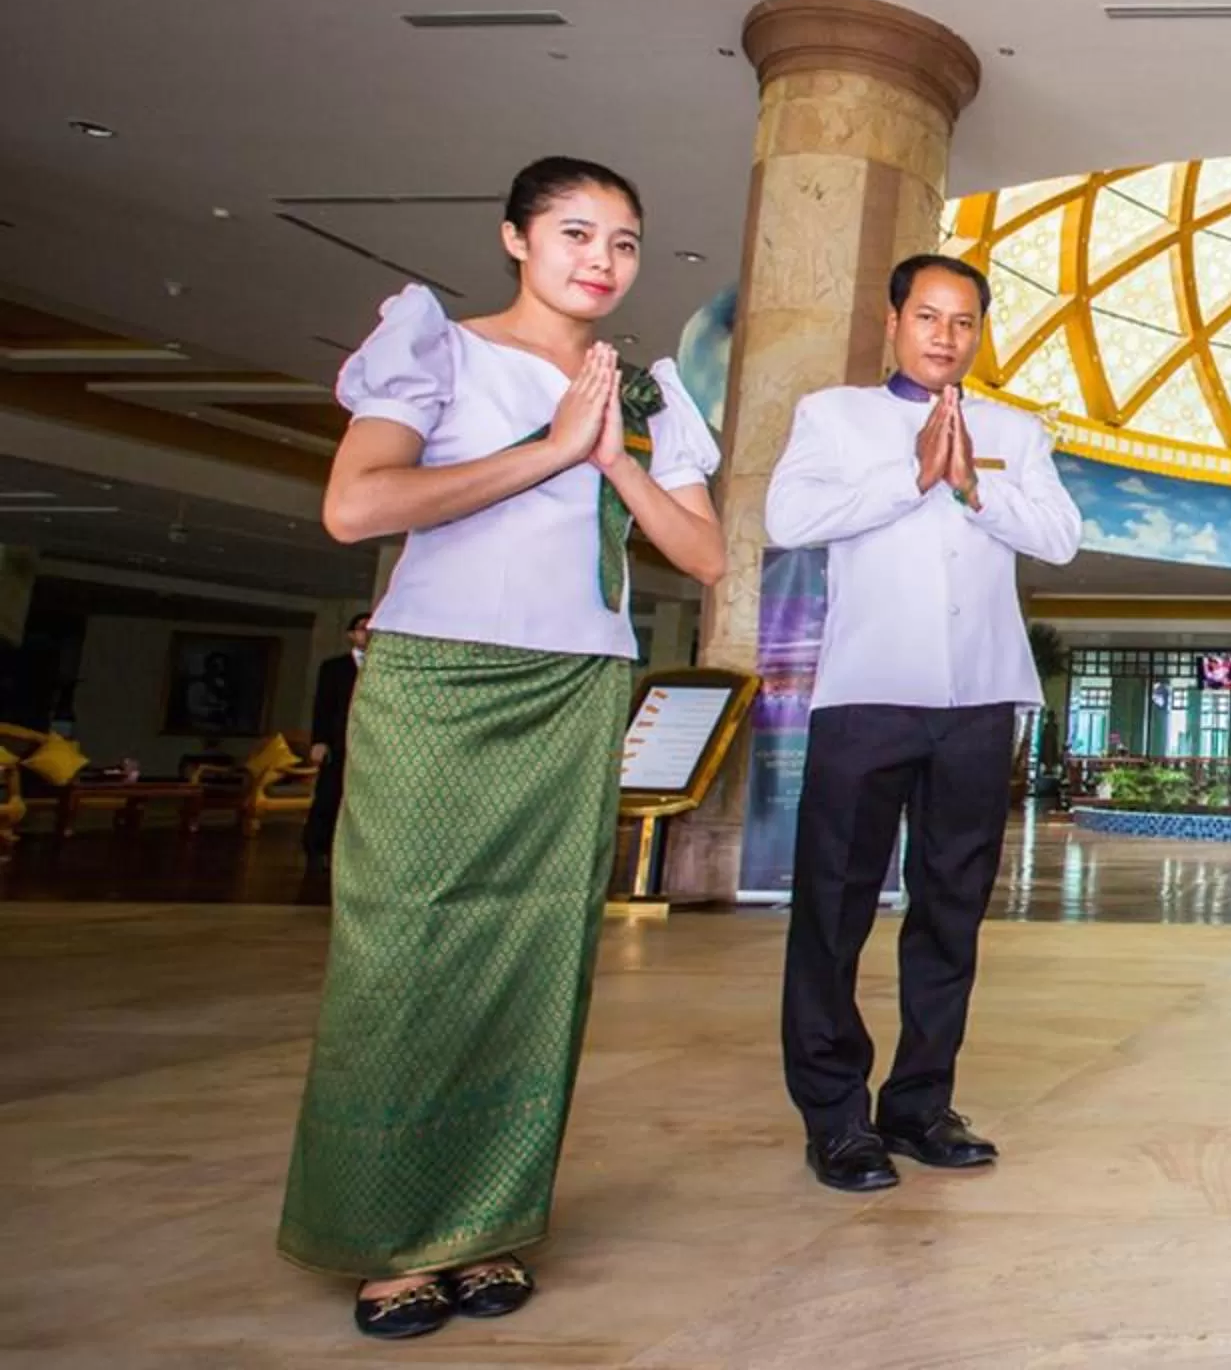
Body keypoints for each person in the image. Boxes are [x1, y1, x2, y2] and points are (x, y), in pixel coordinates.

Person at [282, 157, 725, 1340]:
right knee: (406, 947)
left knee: (536, 951)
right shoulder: (438, 348)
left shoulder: (642, 392)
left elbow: (707, 557)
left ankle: (484, 1228)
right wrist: (547, 447)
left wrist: (612, 451)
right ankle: (387, 1243)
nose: (602, 258)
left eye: (625, 241)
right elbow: (357, 507)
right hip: (442, 675)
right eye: (576, 231)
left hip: (579, 682)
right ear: (515, 239)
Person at [768, 253, 1081, 1194]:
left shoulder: (1015, 432)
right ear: (894, 320)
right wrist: (913, 479)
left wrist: (975, 488)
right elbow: (788, 517)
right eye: (930, 317)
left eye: (966, 322)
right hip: (868, 696)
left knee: (951, 913)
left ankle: (919, 1104)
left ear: (981, 332)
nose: (947, 336)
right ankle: (836, 1117)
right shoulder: (834, 415)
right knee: (835, 910)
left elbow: (1060, 538)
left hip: (981, 700)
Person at [300, 612, 373, 872]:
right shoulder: (334, 667)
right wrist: (319, 741)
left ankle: (350, 856)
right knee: (329, 796)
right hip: (338, 742)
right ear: (351, 634)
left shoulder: (383, 669)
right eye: (363, 628)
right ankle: (316, 848)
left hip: (370, 745)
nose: (368, 633)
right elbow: (323, 706)